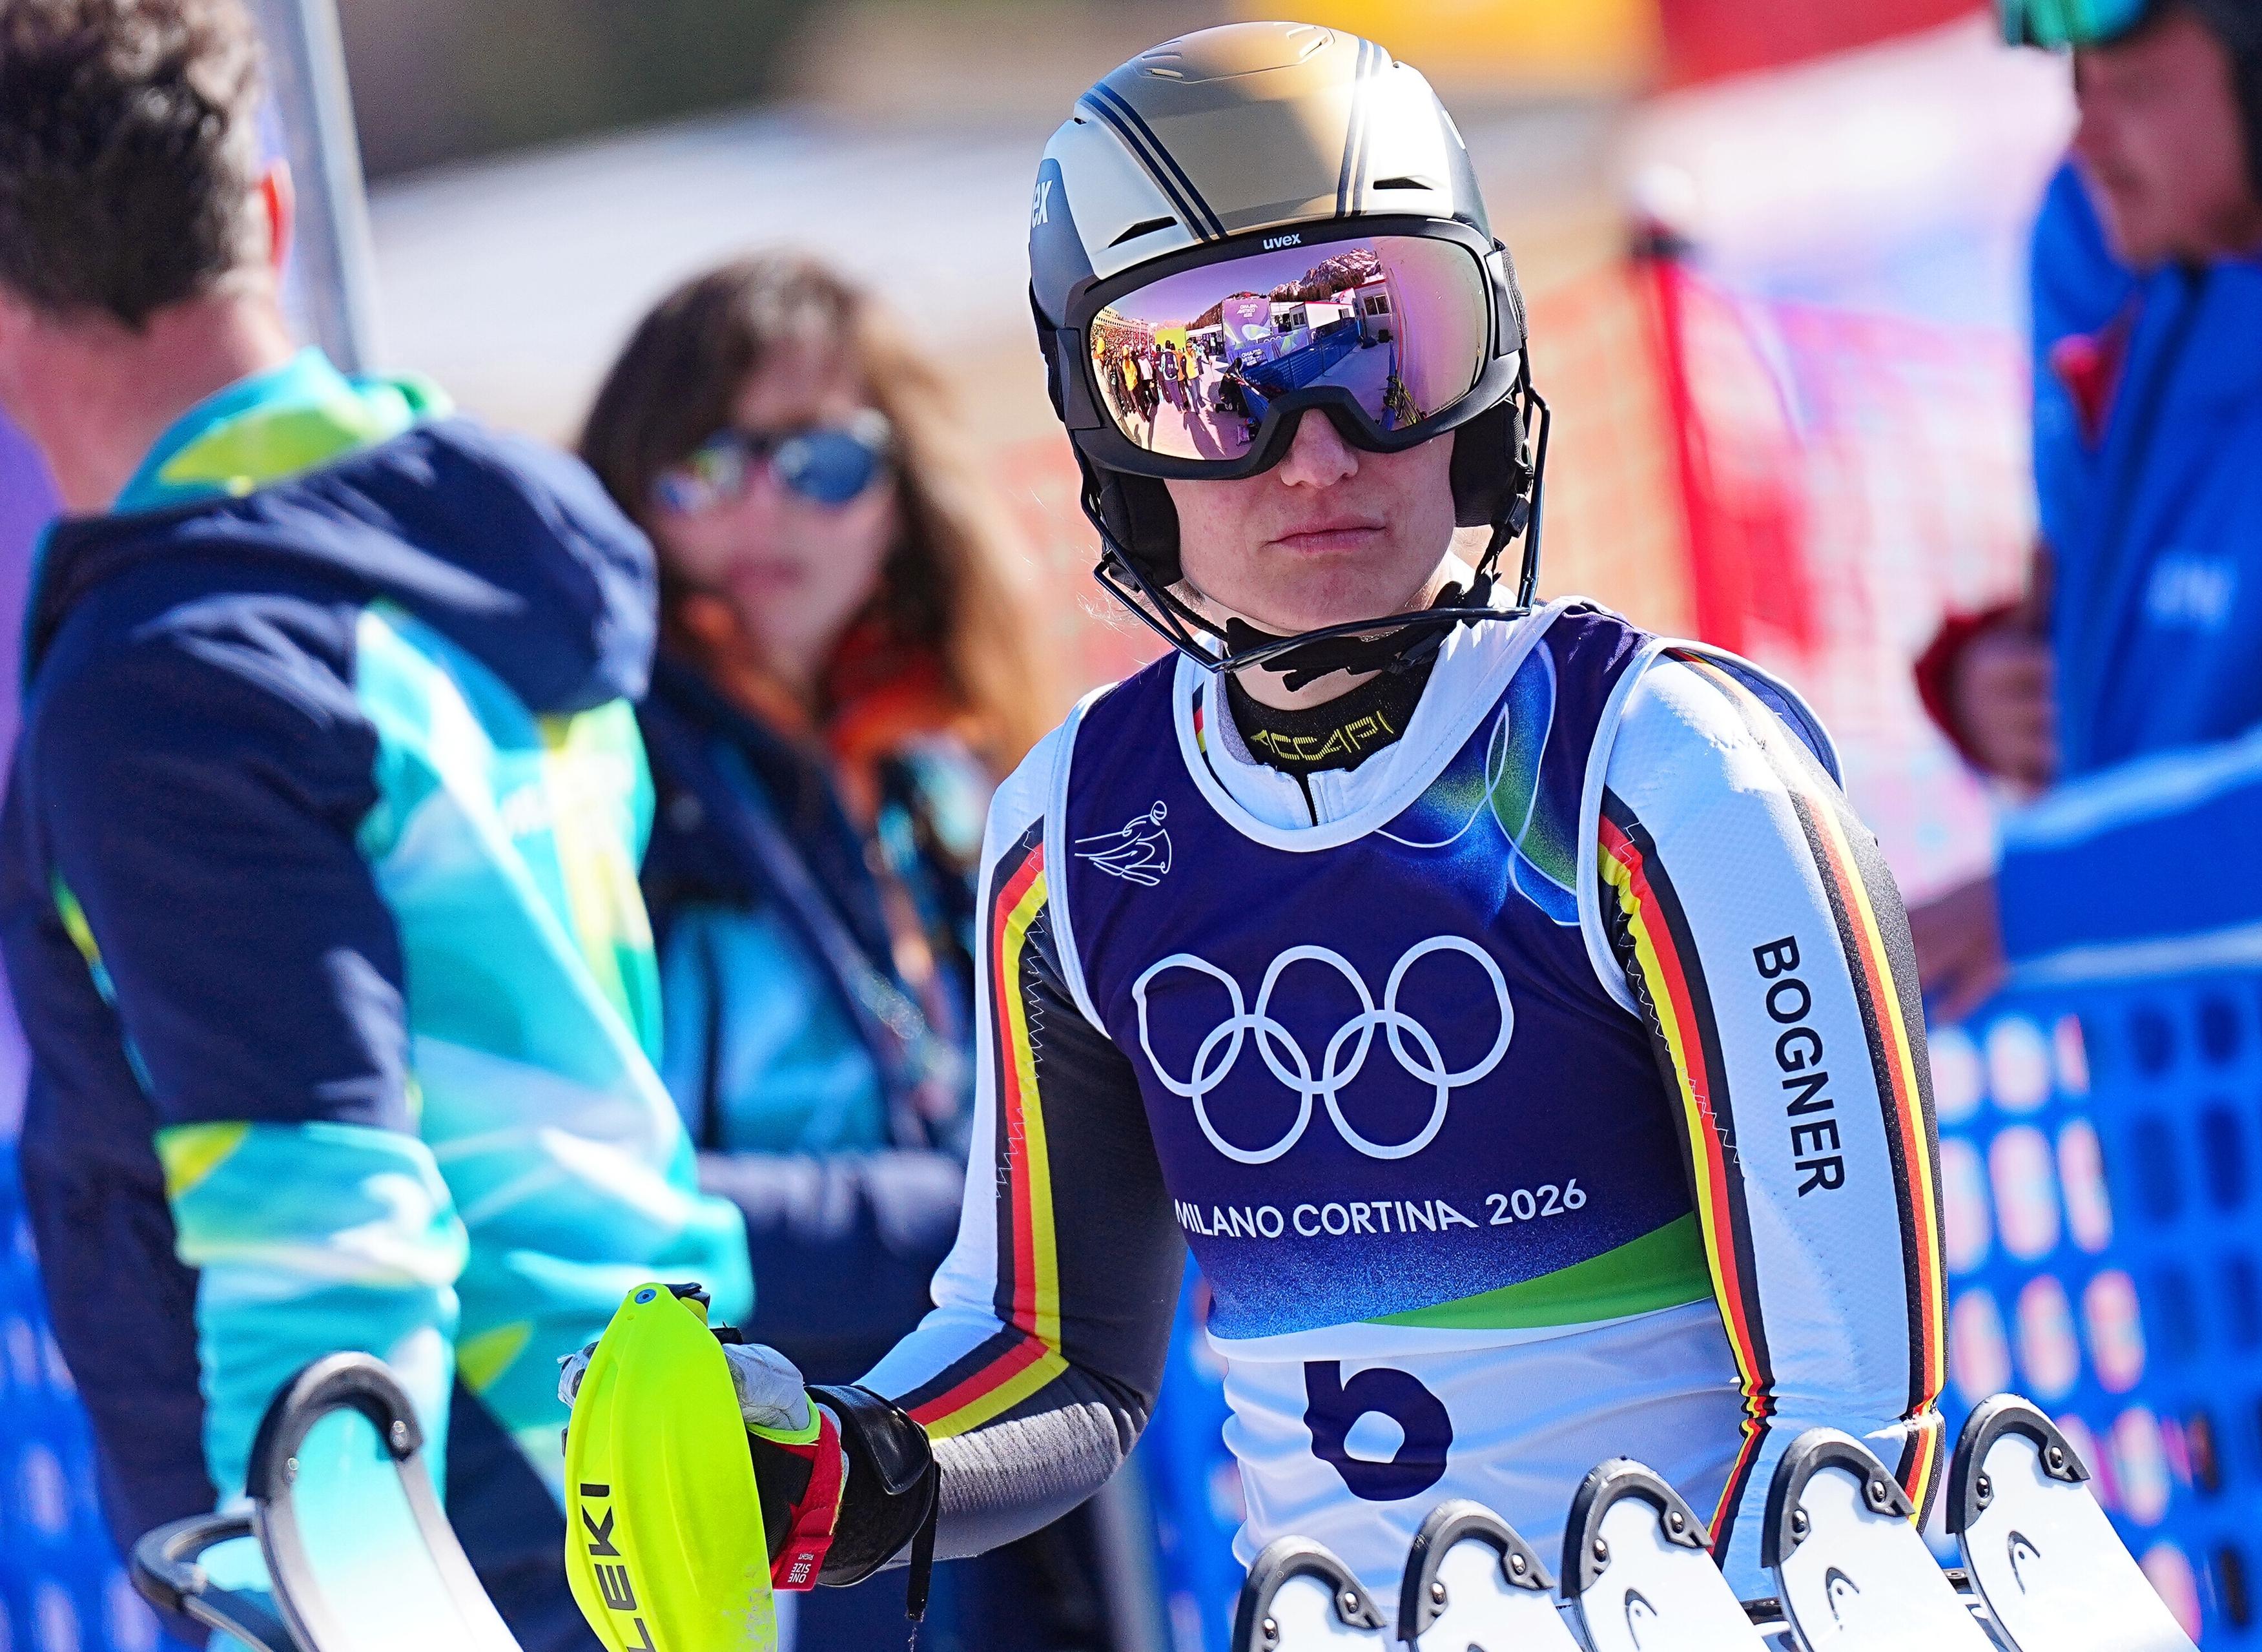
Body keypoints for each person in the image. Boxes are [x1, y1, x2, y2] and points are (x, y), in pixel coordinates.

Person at [564, 20, 1948, 1627]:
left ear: (1486, 372)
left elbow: (1856, 1425)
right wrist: (845, 1473)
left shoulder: (1668, 776)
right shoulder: (1076, 833)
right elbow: (1051, 1345)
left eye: (1386, 349)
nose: (1313, 452)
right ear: (1110, 443)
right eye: (1211, 381)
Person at [0, 0, 749, 1644]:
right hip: (656, 1453)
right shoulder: (469, 555)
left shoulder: (180, 674)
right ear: (268, 216)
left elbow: (325, 1237)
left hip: (457, 1542)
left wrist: (315, 1604)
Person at [575, 254, 1105, 1652]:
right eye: (703, 462)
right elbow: (600, 1191)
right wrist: (969, 1226)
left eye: (818, 459)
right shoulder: (594, 776)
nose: (763, 507)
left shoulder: (951, 765)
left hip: (963, 1445)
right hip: (732, 1474)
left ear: (905, 489)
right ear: (626, 493)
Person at [1911, 0, 2262, 1013]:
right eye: (2077, 81)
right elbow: (2117, 564)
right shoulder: (2140, 251)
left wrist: (2046, 900)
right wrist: (2014, 685)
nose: (2083, 135)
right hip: (2191, 1114)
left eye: (2132, 88)